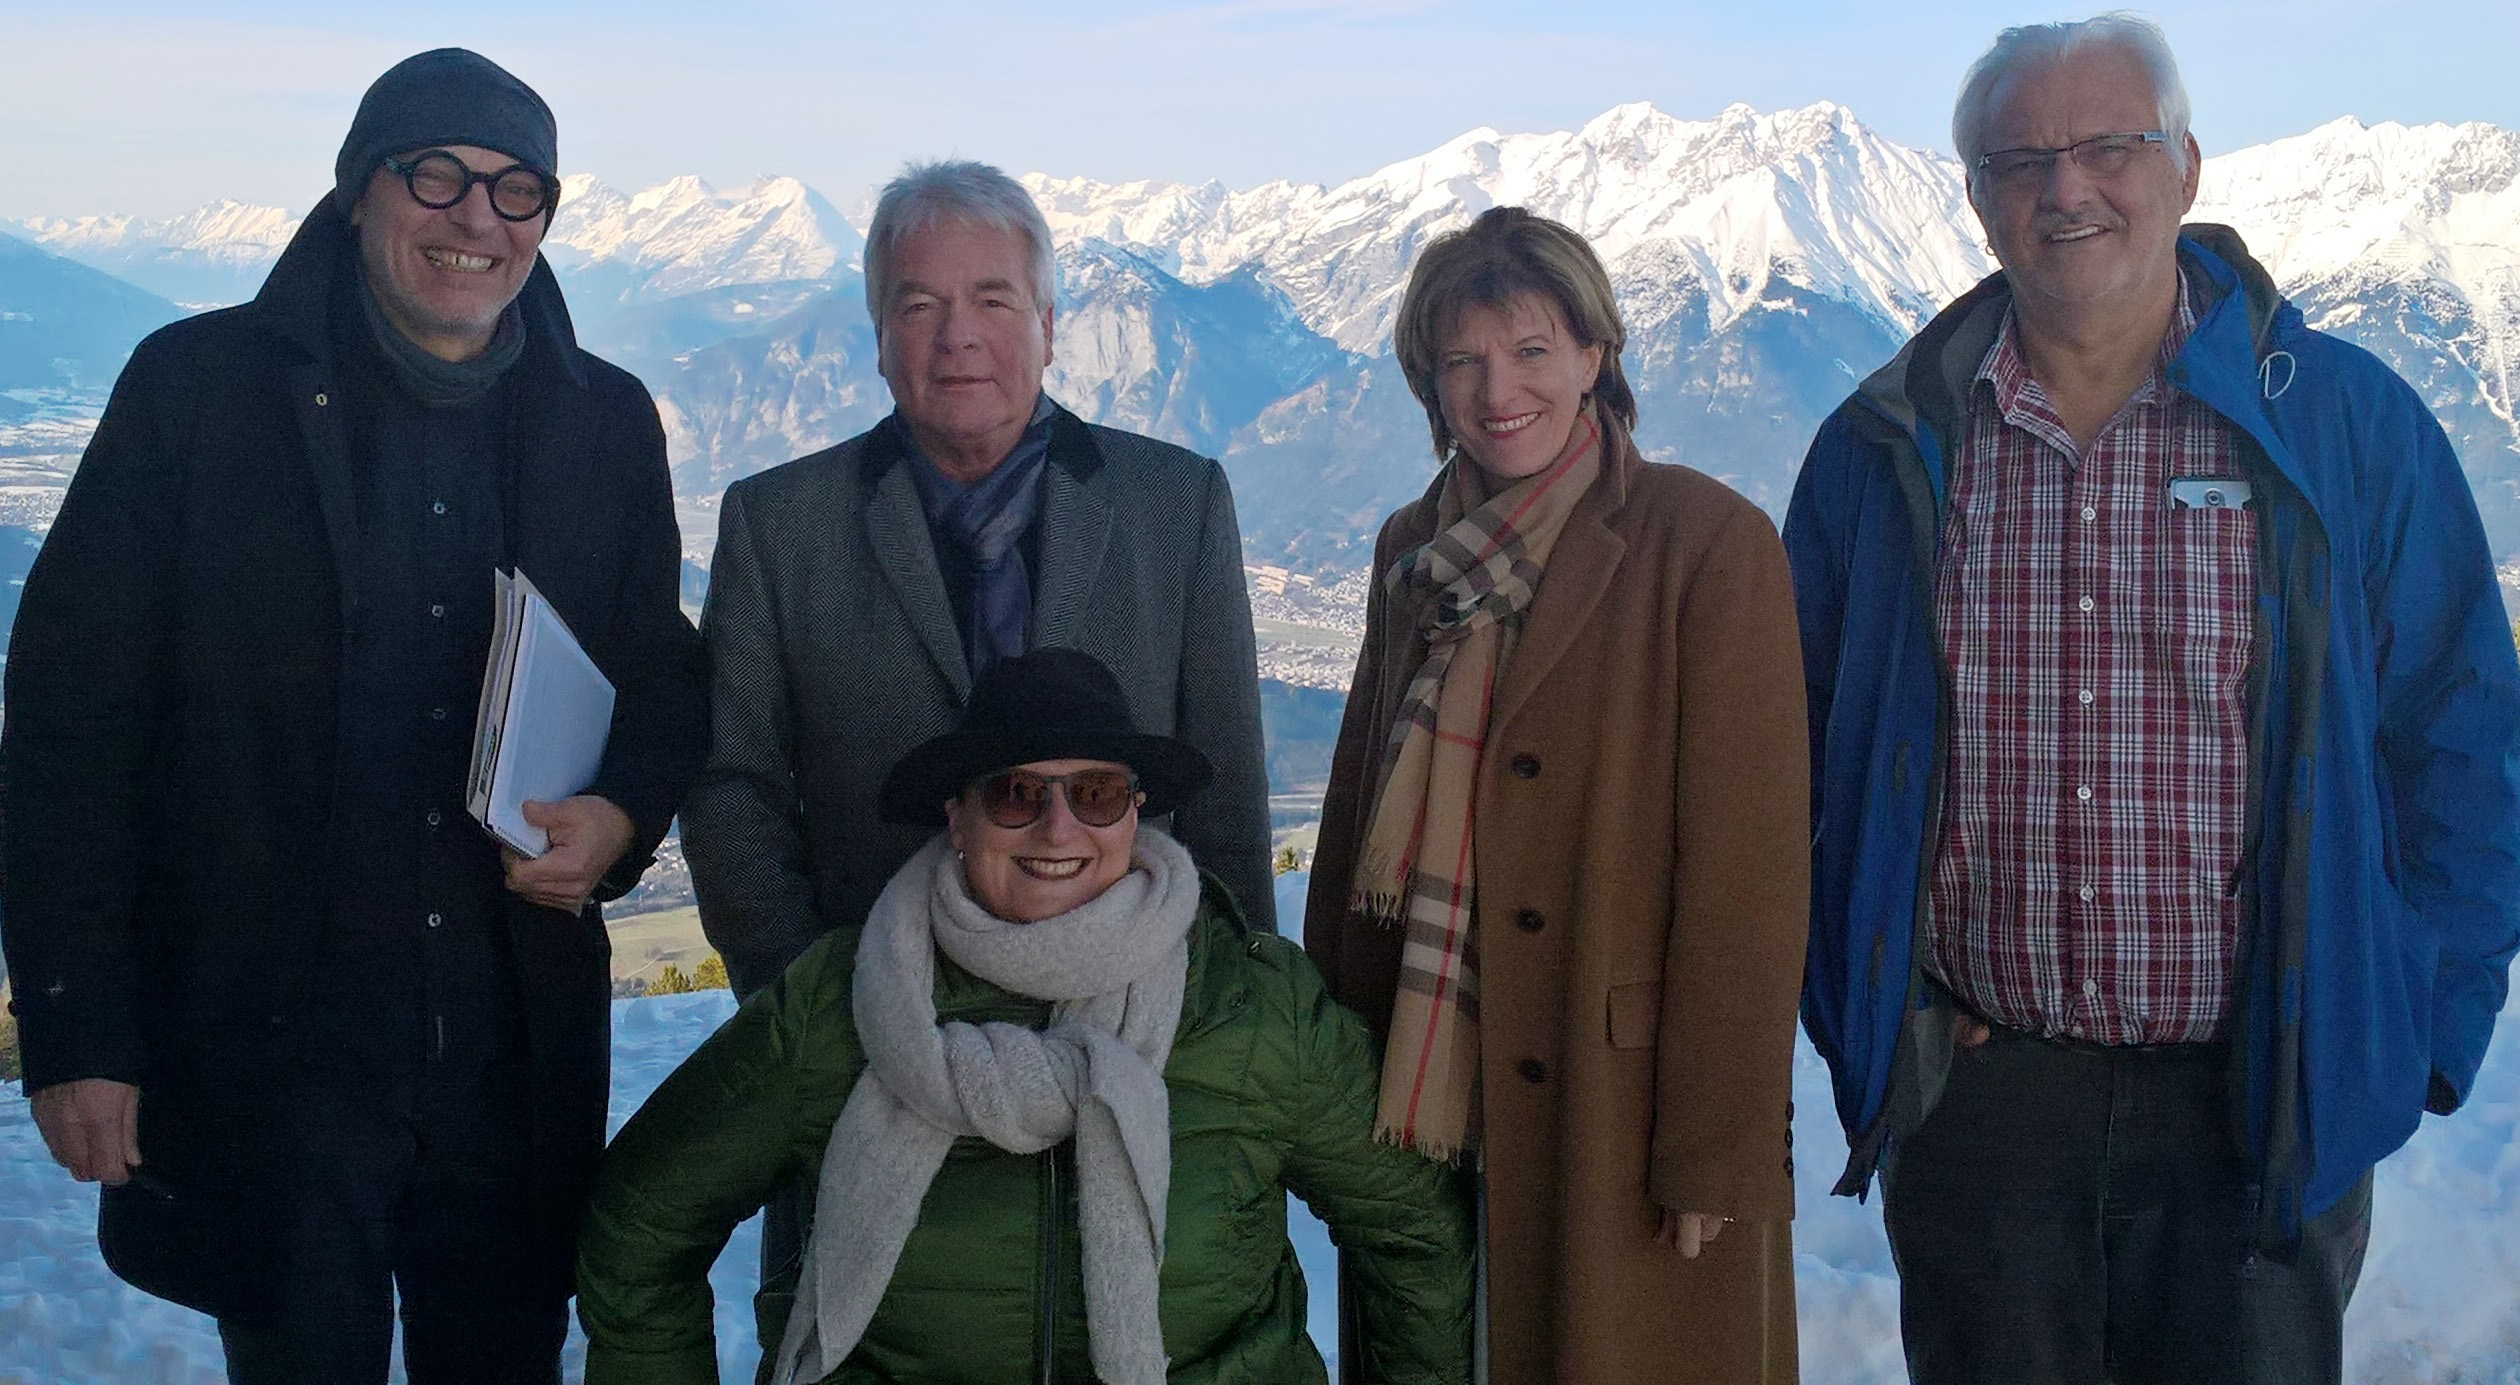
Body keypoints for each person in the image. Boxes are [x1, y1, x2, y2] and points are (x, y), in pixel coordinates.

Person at [1784, 14, 2520, 1385]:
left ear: (2184, 164)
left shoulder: (2344, 426)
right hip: (1981, 1109)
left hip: (2258, 1104)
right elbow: (1797, 759)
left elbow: (2464, 742)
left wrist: (2416, 1030)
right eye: (2022, 159)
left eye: (2109, 146)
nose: (2068, 190)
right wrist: (1872, 1019)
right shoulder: (1885, 450)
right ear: (1976, 196)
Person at [0, 48, 707, 1383]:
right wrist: (78, 1030)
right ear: (356, 192)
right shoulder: (199, 393)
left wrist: (620, 814)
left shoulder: (601, 419)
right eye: (435, 175)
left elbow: (659, 673)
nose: (476, 220)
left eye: (517, 191)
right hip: (277, 1055)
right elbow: (72, 726)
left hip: (510, 1051)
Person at [578, 647, 1473, 1385]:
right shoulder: (838, 1008)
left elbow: (1417, 1229)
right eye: (1015, 792)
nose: (1057, 828)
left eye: (1095, 793)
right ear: (956, 816)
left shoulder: (1250, 1006)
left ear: (1134, 813)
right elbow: (640, 1224)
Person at [1303, 207, 1809, 1384]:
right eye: (1464, 361)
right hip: (1424, 1082)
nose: (1498, 390)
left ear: (1595, 356)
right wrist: (1329, 1074)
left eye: (1532, 351)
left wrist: (1718, 1146)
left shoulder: (1704, 543)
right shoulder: (1408, 549)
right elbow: (1350, 822)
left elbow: (1750, 873)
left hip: (1617, 1104)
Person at [682, 157, 1273, 1008]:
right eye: (918, 305)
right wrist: (806, 1004)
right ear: (880, 336)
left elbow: (1224, 785)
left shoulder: (1177, 506)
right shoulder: (778, 526)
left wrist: (1234, 1004)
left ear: (1047, 324)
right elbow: (732, 786)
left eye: (993, 301)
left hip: (1141, 1012)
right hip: (869, 1012)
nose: (957, 336)